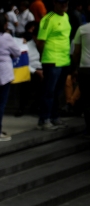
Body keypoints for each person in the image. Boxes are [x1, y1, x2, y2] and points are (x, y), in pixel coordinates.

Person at [36, 0, 72, 129]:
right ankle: (44, 119)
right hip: (52, 60)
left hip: (64, 59)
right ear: (54, 3)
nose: (64, 5)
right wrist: (44, 57)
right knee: (49, 91)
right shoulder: (48, 19)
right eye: (61, 2)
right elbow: (40, 42)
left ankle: (54, 117)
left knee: (58, 92)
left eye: (66, 2)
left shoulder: (66, 16)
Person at [0, 14, 22, 141]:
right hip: (4, 72)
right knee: (0, 104)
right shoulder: (6, 37)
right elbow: (17, 52)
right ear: (4, 25)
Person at [74, 15, 90, 135]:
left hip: (85, 68)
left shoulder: (82, 29)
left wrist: (75, 67)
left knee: (86, 99)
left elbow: (77, 51)